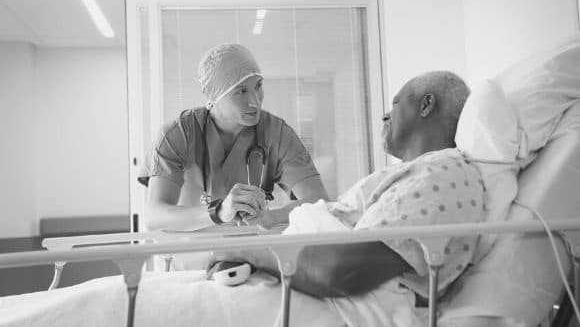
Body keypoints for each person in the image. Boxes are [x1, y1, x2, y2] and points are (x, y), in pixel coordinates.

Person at [206, 71, 484, 325]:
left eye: (396, 104)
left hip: (328, 297)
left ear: (426, 105)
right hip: (299, 277)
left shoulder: (440, 174)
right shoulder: (411, 175)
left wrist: (243, 251)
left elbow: (341, 271)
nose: (384, 116)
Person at [138, 43, 329, 232]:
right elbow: (155, 216)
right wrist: (219, 212)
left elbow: (318, 201)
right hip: (190, 254)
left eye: (258, 86)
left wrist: (272, 217)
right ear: (215, 97)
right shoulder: (178, 134)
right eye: (241, 92)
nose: (254, 101)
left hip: (249, 254)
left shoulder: (276, 133)